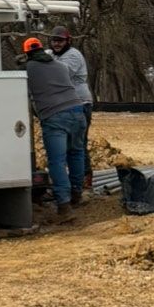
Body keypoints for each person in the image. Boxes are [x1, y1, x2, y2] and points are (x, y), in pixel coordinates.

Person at [20, 37, 87, 221]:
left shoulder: (27, 69)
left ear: (27, 54)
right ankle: (76, 195)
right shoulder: (60, 65)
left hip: (54, 116)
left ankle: (64, 206)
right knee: (76, 153)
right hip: (77, 110)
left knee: (57, 161)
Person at [50, 27, 93, 190]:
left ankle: (85, 178)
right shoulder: (52, 54)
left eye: (60, 41)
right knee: (68, 146)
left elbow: (60, 73)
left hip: (80, 104)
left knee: (78, 145)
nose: (56, 44)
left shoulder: (73, 55)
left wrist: (41, 61)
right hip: (65, 105)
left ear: (68, 41)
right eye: (54, 40)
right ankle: (75, 180)